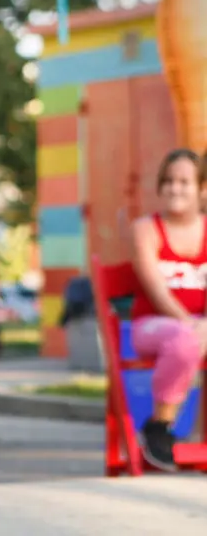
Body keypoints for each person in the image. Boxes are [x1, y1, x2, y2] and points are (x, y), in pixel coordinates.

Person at [130, 148, 207, 472]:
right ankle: (160, 426)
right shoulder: (145, 229)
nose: (175, 188)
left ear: (202, 188)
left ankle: (199, 437)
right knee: (185, 339)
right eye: (168, 181)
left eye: (184, 181)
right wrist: (194, 325)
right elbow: (157, 291)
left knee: (191, 338)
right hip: (153, 326)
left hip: (202, 328)